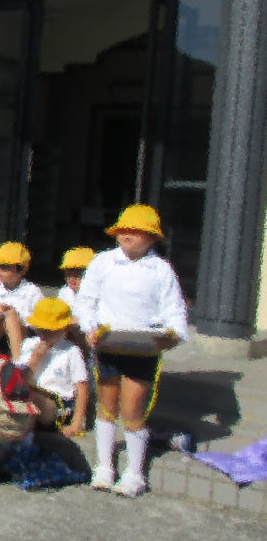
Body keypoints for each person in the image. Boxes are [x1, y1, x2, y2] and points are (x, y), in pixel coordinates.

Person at [75, 205, 188, 498]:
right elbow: (86, 300)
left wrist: (172, 336)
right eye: (123, 229)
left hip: (143, 348)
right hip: (108, 343)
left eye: (136, 231)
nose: (127, 235)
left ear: (151, 238)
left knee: (133, 410)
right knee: (107, 406)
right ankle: (104, 467)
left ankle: (135, 473)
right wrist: (89, 327)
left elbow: (174, 311)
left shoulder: (161, 270)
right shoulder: (103, 262)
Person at [16, 298, 89, 438]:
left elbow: (82, 387)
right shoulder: (29, 344)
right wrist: (34, 360)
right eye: (40, 329)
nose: (43, 335)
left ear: (64, 329)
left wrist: (76, 423)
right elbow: (21, 379)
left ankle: (27, 439)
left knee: (31, 396)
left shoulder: (71, 351)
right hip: (31, 396)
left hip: (58, 404)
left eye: (49, 331)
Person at [0, 241, 41, 360]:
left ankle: (18, 363)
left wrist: (15, 314)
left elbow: (35, 323)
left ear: (22, 271)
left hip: (21, 335)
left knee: (11, 316)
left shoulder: (32, 291)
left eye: (6, 268)